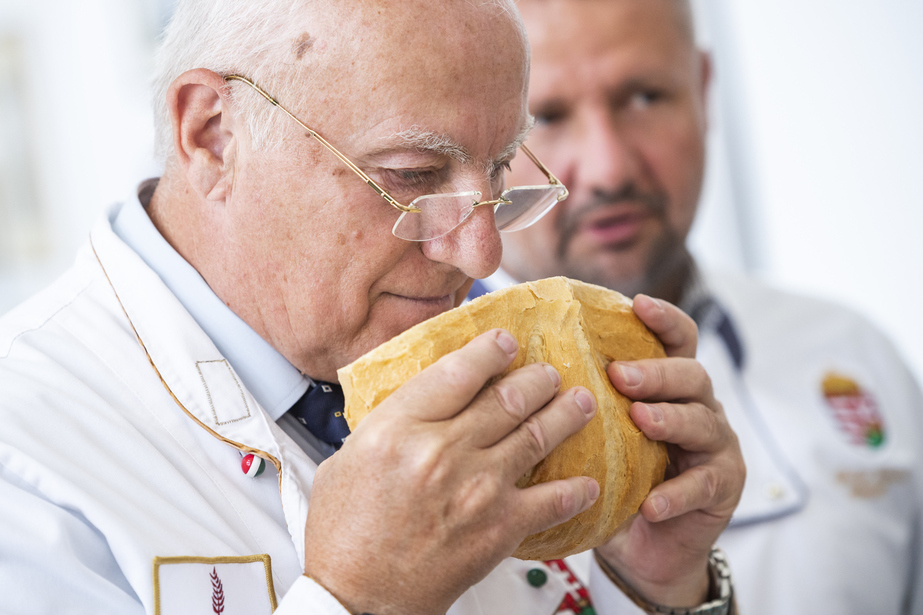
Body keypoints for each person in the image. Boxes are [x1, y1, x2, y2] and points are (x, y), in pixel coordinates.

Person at [0, 0, 746, 613]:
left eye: (497, 170)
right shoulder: (23, 460)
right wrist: (359, 600)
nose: (482, 255)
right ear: (212, 133)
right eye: (413, 175)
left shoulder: (519, 360)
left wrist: (657, 590)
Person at [472, 0, 923, 614]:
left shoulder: (853, 353)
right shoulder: (416, 430)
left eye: (645, 97)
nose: (608, 169)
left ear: (704, 89)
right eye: (545, 117)